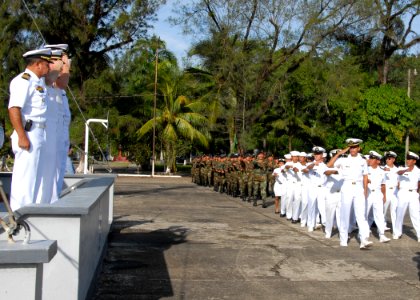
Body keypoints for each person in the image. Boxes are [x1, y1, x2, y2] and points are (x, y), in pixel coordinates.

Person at [8, 48, 53, 210]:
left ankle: (31, 211)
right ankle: (20, 214)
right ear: (38, 64)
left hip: (39, 132)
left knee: (35, 177)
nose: (49, 67)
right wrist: (22, 136)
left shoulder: (37, 82)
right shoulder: (23, 81)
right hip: (28, 132)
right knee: (25, 178)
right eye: (47, 63)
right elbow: (14, 108)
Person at [327, 138, 373, 249]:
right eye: (351, 147)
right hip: (346, 186)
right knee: (345, 213)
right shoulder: (343, 160)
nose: (352, 149)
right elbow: (329, 165)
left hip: (359, 187)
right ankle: (343, 239)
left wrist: (365, 191)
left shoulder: (362, 161)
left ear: (358, 148)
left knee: (360, 215)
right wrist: (339, 153)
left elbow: (365, 176)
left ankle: (364, 239)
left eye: (354, 147)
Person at [393, 151, 420, 242]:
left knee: (416, 215)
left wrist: (417, 191)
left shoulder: (418, 171)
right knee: (400, 214)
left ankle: (419, 235)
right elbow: (398, 173)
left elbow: (419, 182)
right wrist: (406, 170)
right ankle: (397, 233)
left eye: (410, 159)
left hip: (413, 194)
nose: (407, 161)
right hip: (403, 193)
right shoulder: (402, 168)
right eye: (407, 159)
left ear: (414, 161)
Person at [365, 151, 390, 243]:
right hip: (368, 194)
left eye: (372, 158)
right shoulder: (365, 170)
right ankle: (364, 233)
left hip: (378, 194)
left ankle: (382, 235)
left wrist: (384, 196)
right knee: (365, 214)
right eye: (370, 158)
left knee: (379, 215)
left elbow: (383, 185)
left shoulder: (382, 172)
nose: (370, 160)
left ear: (378, 161)